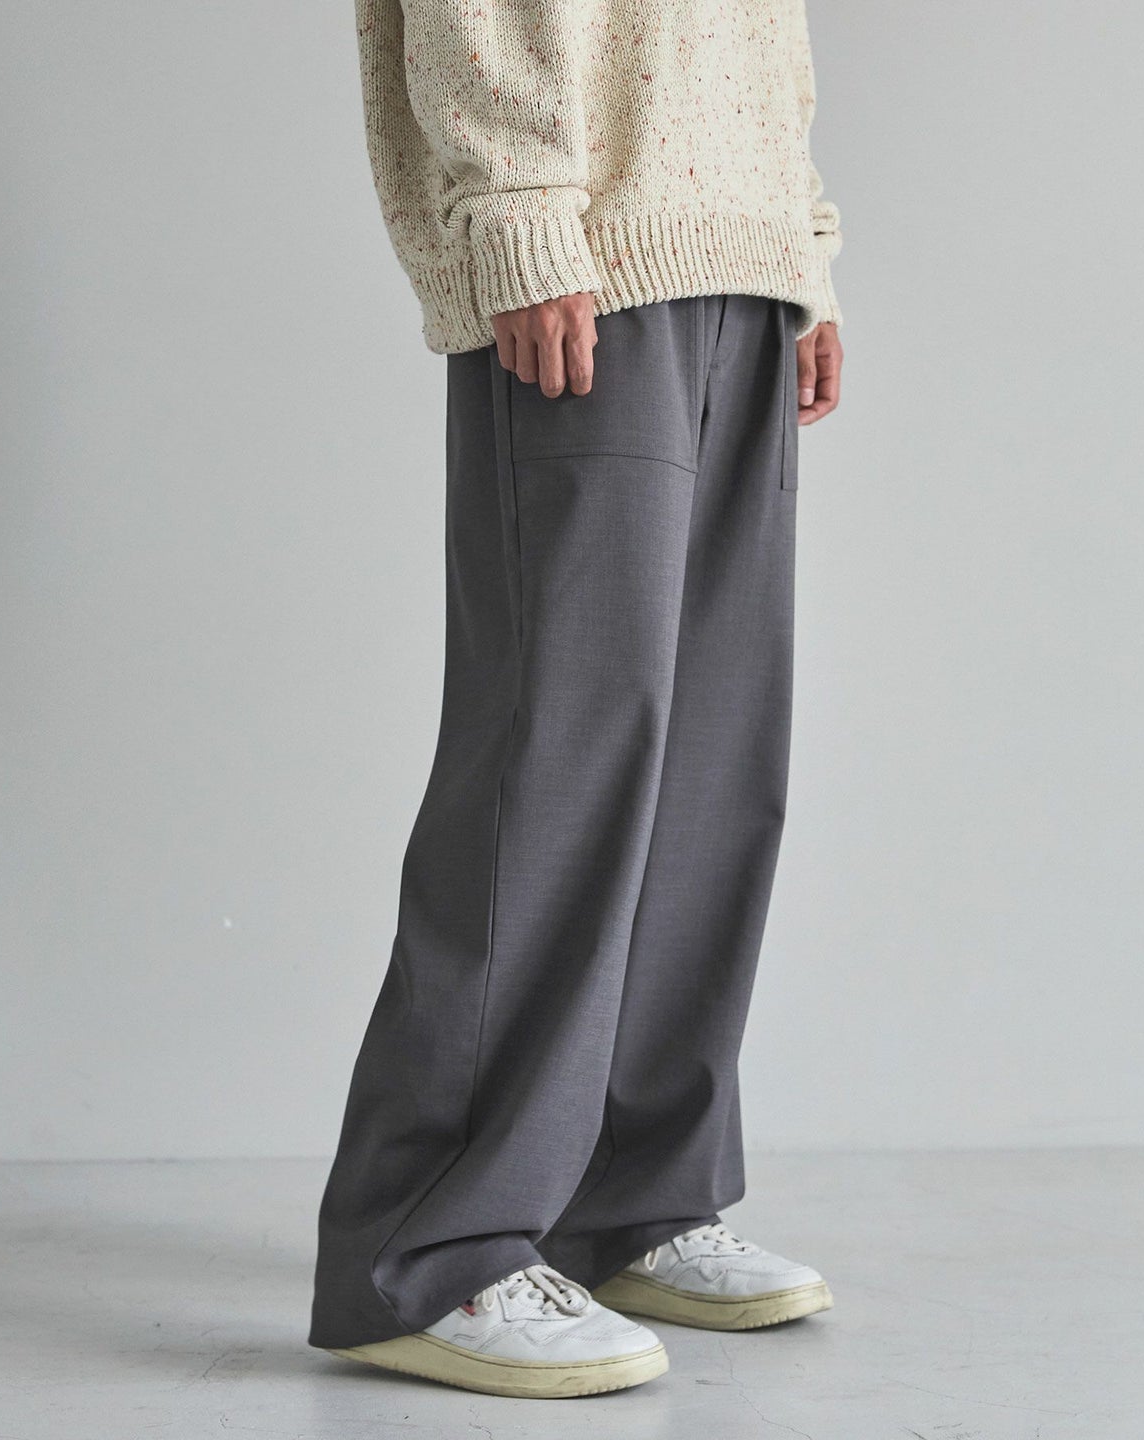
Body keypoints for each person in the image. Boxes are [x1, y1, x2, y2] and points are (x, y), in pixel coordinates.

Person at [308, 0, 845, 1400]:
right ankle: (428, 1251)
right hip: (588, 251)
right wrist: (519, 214)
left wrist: (803, 253)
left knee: (714, 761)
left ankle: (634, 1198)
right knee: (558, 756)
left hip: (737, 258)